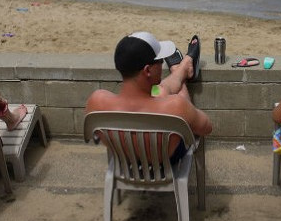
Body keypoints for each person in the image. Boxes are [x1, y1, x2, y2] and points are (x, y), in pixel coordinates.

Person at [85, 32, 212, 160]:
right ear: (147, 70)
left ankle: (181, 70)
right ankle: (181, 70)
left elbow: (94, 136)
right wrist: (186, 108)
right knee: (164, 93)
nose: (162, 65)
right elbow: (206, 128)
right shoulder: (175, 106)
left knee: (161, 90)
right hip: (164, 162)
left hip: (125, 162)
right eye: (160, 61)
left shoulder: (97, 101)